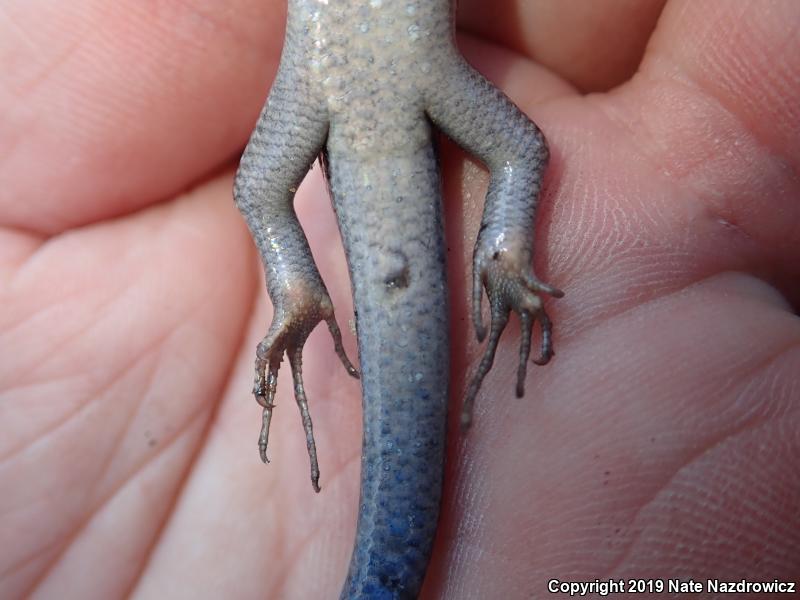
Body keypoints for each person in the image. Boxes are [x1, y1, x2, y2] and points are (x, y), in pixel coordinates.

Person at [1, 1, 798, 597]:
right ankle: (499, 257)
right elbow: (517, 149)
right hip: (385, 60)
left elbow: (262, 191)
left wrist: (297, 283)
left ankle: (303, 296)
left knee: (268, 188)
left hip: (339, 63)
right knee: (513, 148)